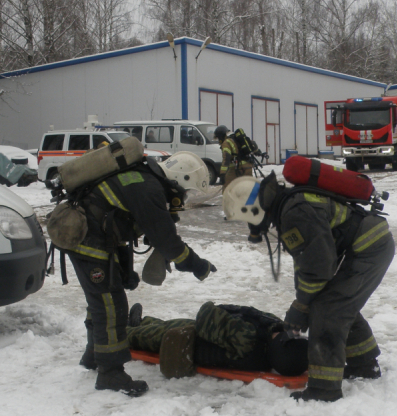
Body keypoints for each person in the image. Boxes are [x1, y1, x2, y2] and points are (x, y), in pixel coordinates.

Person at [222, 173, 393, 403]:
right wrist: (302, 302)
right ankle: (364, 365)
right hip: (370, 243)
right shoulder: (288, 204)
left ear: (253, 210)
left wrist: (302, 306)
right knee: (337, 302)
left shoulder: (294, 213)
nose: (251, 226)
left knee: (329, 310)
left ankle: (324, 390)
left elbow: (319, 267)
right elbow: (306, 262)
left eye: (248, 220)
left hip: (370, 248)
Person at [67, 151, 216, 396]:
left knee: (101, 300)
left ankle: (94, 355)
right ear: (181, 178)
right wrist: (197, 265)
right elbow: (168, 241)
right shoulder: (149, 189)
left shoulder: (144, 179)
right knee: (110, 304)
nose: (184, 197)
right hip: (88, 241)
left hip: (94, 239)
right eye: (186, 191)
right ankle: (110, 373)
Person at [126, 301, 309, 377]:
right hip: (205, 336)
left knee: (145, 336)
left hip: (186, 342)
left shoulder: (247, 337)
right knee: (168, 324)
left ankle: (120, 332)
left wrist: (223, 308)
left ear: (278, 345)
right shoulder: (263, 347)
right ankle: (142, 322)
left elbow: (205, 315)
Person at [215, 125, 262, 244]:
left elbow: (226, 158)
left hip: (234, 168)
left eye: (218, 138)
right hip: (247, 166)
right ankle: (252, 210)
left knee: (227, 190)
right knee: (249, 189)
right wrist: (260, 153)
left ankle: (230, 212)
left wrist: (222, 173)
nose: (218, 141)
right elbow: (253, 146)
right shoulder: (237, 139)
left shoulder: (226, 142)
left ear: (221, 136)